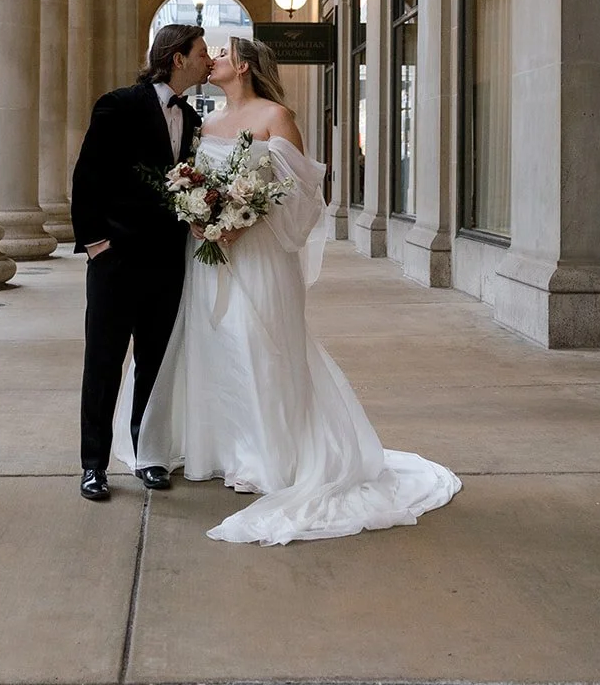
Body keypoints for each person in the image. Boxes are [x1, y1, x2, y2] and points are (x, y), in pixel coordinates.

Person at [114, 34, 462, 545]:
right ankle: (222, 448)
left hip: (258, 256)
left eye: (224, 56)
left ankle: (268, 454)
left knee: (261, 345)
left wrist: (244, 217)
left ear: (245, 66)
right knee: (212, 347)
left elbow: (301, 198)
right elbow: (188, 183)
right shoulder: (203, 124)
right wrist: (199, 220)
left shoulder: (276, 117)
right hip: (208, 256)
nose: (213, 61)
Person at [71, 23, 212, 502]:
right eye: (201, 52)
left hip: (169, 265)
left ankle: (149, 455)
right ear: (177, 58)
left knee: (156, 364)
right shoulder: (118, 104)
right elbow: (88, 177)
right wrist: (95, 244)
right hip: (115, 261)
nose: (208, 59)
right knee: (105, 363)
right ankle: (94, 466)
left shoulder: (193, 121)